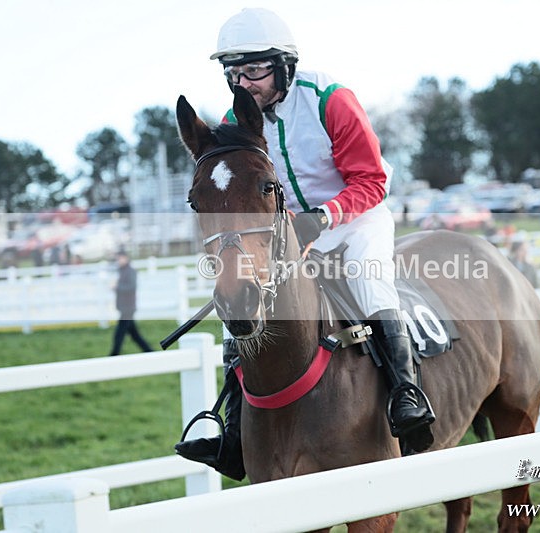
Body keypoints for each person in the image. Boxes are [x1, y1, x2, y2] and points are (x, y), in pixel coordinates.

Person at [175, 7, 435, 479]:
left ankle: (405, 396)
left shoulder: (330, 99)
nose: (243, 82)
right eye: (233, 72)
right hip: (292, 227)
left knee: (369, 283)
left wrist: (325, 217)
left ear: (284, 64)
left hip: (356, 217)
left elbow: (372, 180)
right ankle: (233, 431)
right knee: (246, 300)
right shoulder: (240, 119)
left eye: (254, 70)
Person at [108, 250, 153, 356]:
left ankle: (113, 355)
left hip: (128, 307)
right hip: (124, 307)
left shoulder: (130, 271)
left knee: (119, 333)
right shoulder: (122, 271)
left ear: (125, 258)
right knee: (134, 335)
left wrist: (117, 287)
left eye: (120, 258)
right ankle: (150, 352)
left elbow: (131, 287)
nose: (118, 261)